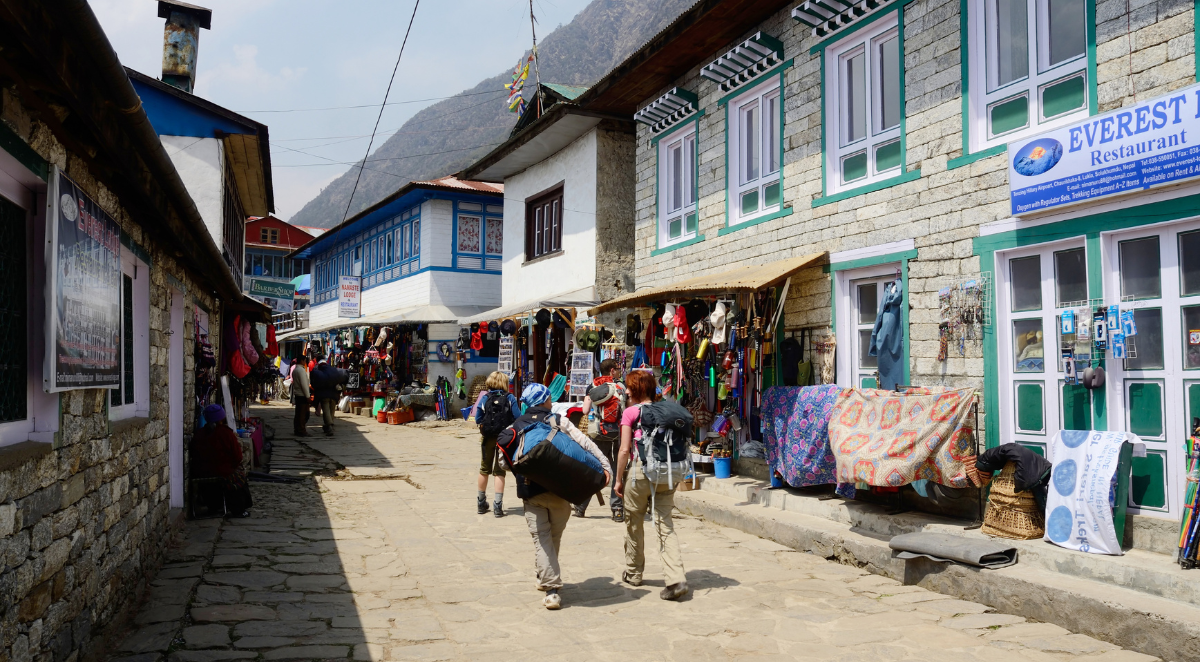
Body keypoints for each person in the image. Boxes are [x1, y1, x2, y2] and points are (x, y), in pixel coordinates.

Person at [497, 383, 612, 610]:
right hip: (562, 491)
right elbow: (585, 443)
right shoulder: (559, 421)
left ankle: (549, 587)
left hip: (531, 493)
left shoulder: (516, 426)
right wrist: (605, 466)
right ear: (545, 400)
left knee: (542, 540)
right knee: (552, 538)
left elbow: (503, 462)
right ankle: (549, 583)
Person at [614, 369, 688, 601]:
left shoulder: (630, 412)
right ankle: (675, 579)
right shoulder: (666, 408)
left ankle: (634, 573)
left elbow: (625, 449)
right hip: (668, 473)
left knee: (633, 521)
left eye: (628, 387)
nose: (625, 391)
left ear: (636, 389)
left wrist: (618, 479)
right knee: (665, 524)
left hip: (640, 472)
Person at [576, 359, 627, 520]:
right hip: (619, 434)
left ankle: (581, 506)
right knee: (618, 472)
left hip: (598, 432)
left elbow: (585, 410)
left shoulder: (593, 386)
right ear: (612, 371)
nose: (619, 372)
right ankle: (617, 509)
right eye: (617, 369)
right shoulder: (621, 387)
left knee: (596, 469)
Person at [469, 371, 521, 517]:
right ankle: (497, 506)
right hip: (504, 439)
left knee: (484, 469)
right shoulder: (510, 398)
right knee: (499, 471)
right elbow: (518, 417)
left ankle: (481, 502)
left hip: (487, 438)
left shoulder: (485, 398)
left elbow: (477, 417)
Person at [190, 403, 252, 517]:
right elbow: (238, 456)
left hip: (201, 472)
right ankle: (238, 509)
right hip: (222, 471)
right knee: (239, 477)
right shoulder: (225, 433)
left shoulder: (199, 435)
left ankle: (214, 506)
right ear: (221, 418)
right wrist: (233, 466)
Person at [310, 357, 348, 436]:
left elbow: (314, 383)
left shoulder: (318, 372)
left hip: (324, 395)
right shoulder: (333, 371)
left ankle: (329, 425)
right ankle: (330, 424)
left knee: (326, 411)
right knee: (332, 410)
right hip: (334, 394)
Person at [290, 355, 312, 437]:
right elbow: (304, 385)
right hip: (302, 395)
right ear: (302, 361)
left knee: (298, 413)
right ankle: (302, 430)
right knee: (303, 414)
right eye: (305, 360)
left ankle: (298, 429)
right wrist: (307, 396)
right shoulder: (301, 371)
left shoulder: (295, 370)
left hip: (298, 394)